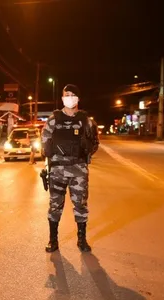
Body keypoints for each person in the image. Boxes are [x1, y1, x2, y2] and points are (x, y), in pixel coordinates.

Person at [41, 84, 99, 253]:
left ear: (78, 98)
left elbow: (94, 143)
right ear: (62, 98)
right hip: (58, 169)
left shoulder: (86, 121)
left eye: (73, 94)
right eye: (67, 94)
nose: (70, 97)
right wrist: (51, 156)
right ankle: (53, 240)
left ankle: (82, 240)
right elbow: (45, 141)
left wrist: (85, 150)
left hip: (78, 169)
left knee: (80, 205)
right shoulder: (54, 119)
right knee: (55, 205)